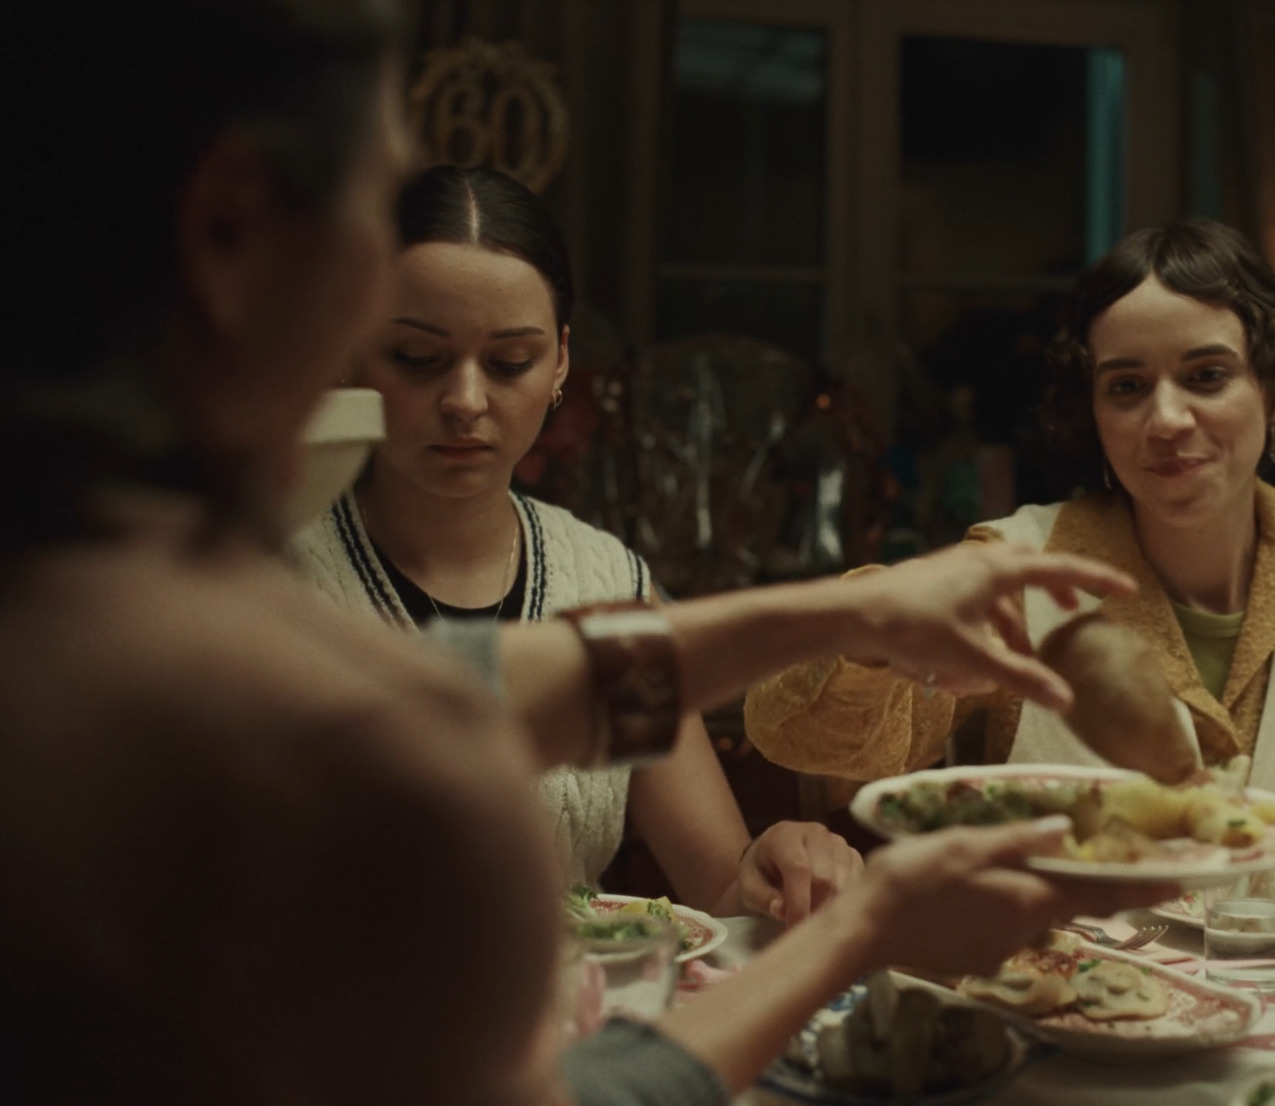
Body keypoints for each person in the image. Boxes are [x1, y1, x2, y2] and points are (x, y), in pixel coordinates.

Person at [1, 3, 1164, 1106]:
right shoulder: (330, 728)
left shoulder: (87, 582)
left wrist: (834, 618)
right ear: (228, 223)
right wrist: (867, 933)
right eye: (369, 202)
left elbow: (482, 684)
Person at [291, 165, 858, 922]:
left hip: (573, 1029)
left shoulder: (602, 582)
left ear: (560, 361)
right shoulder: (273, 575)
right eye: (419, 359)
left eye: (509, 363)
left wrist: (776, 866)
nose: (465, 401)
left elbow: (721, 888)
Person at [746, 221, 1275, 835]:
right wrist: (877, 636)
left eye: (1207, 377)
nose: (1167, 420)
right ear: (1091, 413)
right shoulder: (1015, 569)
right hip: (1062, 965)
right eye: (1126, 387)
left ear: (1274, 394)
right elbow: (804, 741)